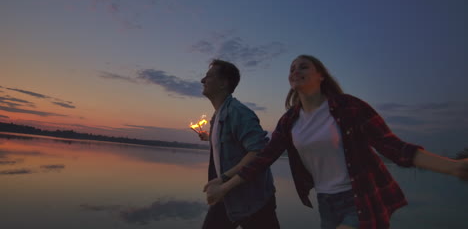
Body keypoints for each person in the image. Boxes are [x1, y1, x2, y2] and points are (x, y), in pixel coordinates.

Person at [204, 55, 468, 229]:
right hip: (326, 204)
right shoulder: (289, 122)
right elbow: (262, 160)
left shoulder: (349, 108)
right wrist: (225, 184)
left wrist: (454, 167)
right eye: (292, 68)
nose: (296, 70)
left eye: (304, 66)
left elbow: (394, 148)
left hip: (358, 199)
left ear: (321, 75)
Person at [198, 59, 280, 229]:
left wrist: (224, 180)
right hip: (225, 196)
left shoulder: (238, 112)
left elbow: (259, 152)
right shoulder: (218, 117)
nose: (202, 80)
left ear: (223, 83)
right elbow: (229, 143)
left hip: (253, 200)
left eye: (208, 76)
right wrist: (209, 137)